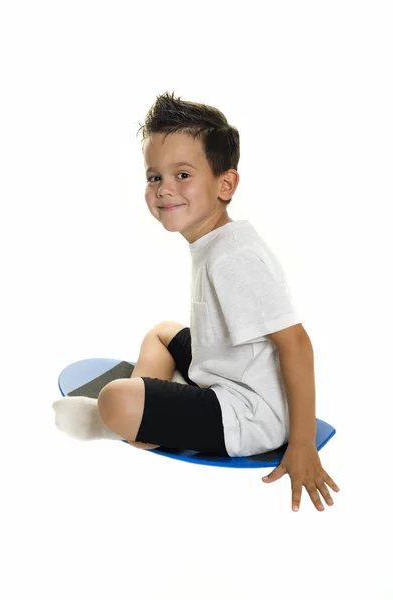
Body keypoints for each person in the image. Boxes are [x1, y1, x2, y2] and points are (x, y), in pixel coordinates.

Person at [53, 91, 340, 512]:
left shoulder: (234, 258)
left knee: (116, 399)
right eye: (155, 177)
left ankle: (124, 422)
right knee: (162, 332)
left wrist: (301, 445)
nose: (165, 189)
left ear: (226, 183)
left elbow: (297, 344)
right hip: (226, 374)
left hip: (247, 416)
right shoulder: (214, 241)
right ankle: (152, 404)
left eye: (183, 175)